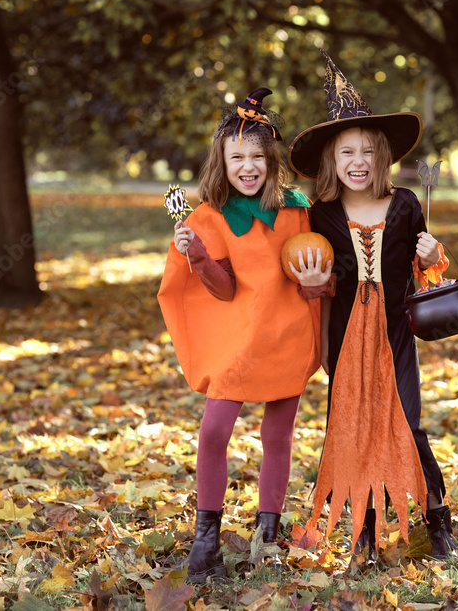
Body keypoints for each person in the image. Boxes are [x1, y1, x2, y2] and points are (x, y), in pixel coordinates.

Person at [157, 87, 334, 583]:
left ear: (271, 160)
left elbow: (317, 265)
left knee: (278, 434)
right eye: (238, 157)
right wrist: (196, 256)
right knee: (214, 431)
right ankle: (206, 538)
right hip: (241, 341)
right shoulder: (209, 216)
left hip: (290, 335)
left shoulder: (298, 209)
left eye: (257, 156)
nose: (248, 166)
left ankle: (267, 533)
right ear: (223, 162)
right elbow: (223, 287)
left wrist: (322, 282)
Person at [287, 52, 458, 562]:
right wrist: (314, 285)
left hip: (394, 333)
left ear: (381, 157)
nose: (357, 162)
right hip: (344, 336)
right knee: (353, 428)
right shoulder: (320, 215)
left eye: (366, 152)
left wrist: (432, 256)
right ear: (331, 163)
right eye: (346, 154)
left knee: (409, 421)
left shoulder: (406, 204)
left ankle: (436, 517)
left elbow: (427, 268)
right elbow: (313, 280)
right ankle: (364, 531)